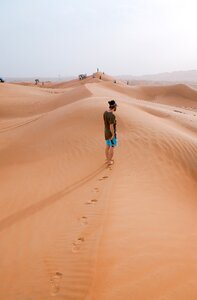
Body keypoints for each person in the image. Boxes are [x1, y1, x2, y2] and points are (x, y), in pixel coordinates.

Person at [103, 100, 118, 165]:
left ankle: (107, 159)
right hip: (111, 133)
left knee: (107, 146)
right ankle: (109, 161)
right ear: (114, 107)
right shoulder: (112, 116)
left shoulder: (105, 113)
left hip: (106, 132)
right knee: (112, 146)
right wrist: (113, 134)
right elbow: (111, 126)